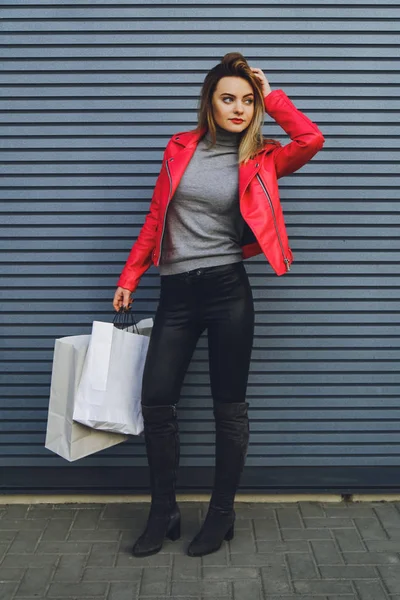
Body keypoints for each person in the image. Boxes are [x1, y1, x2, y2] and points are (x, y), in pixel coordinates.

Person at [112, 52, 325, 558]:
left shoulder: (263, 156)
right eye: (229, 98)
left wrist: (271, 95)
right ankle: (163, 510)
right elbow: (156, 214)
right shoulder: (179, 147)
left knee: (229, 409)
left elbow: (311, 139)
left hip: (229, 291)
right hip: (176, 293)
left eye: (247, 101)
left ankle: (221, 514)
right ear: (209, 101)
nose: (239, 109)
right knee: (156, 401)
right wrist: (130, 274)